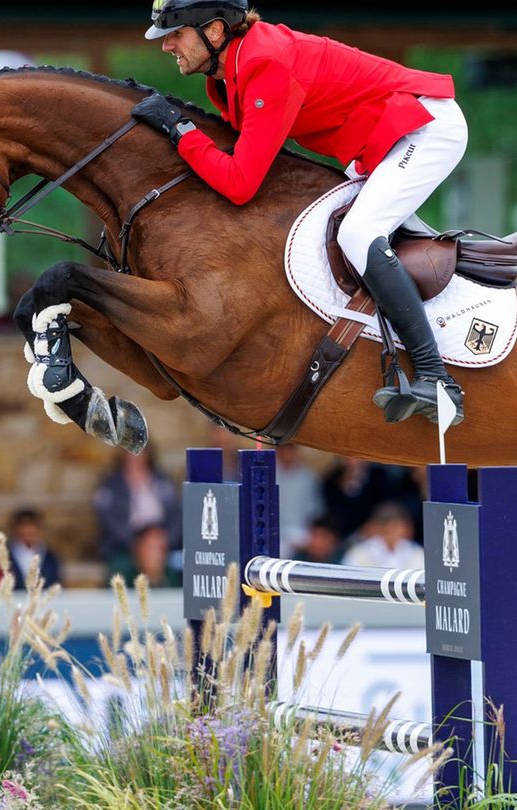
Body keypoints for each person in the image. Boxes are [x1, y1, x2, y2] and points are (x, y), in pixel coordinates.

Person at [134, 0, 466, 425]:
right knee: (362, 233)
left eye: (175, 34)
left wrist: (180, 132)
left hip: (421, 125)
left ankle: (439, 381)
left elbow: (238, 183)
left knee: (359, 233)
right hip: (379, 143)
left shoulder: (264, 63)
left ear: (215, 32)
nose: (167, 46)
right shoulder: (227, 75)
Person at [92, 447, 181, 577]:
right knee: (122, 566)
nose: (135, 456)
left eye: (139, 450)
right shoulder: (112, 484)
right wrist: (138, 543)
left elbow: (176, 514)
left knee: (176, 565)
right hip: (125, 545)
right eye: (130, 451)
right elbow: (109, 520)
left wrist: (165, 539)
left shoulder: (162, 480)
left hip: (161, 542)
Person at [341, 501, 424, 569]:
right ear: (377, 527)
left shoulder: (417, 554)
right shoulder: (359, 554)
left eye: (396, 527)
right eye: (389, 528)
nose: (392, 532)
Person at [4, 508, 62, 588]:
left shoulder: (51, 556)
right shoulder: (6, 555)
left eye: (31, 526)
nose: (27, 531)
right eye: (23, 526)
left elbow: (57, 583)